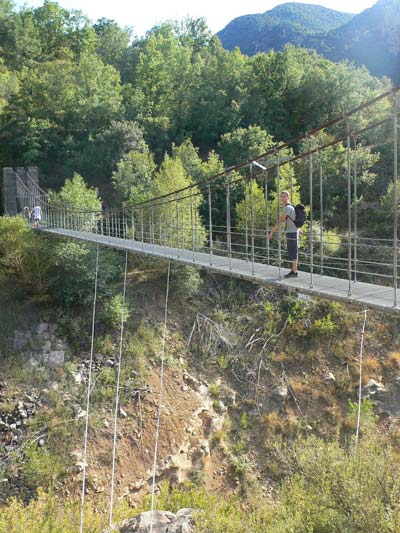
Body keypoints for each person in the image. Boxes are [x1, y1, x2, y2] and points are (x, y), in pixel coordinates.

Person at [267, 190, 299, 278]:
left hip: (292, 232)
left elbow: (279, 221)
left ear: (288, 197)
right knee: (293, 252)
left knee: (293, 252)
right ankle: (294, 271)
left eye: (285, 196)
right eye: (281, 196)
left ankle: (294, 272)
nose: (283, 198)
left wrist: (271, 232)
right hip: (292, 231)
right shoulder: (289, 207)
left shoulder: (287, 208)